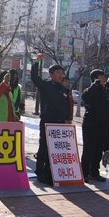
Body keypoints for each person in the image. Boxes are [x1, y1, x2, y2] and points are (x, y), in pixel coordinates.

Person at [30, 53, 70, 186]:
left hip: (60, 123)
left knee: (55, 149)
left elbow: (65, 106)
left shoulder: (63, 89)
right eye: (58, 72)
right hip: (48, 122)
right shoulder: (46, 86)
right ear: (51, 74)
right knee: (44, 147)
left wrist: (66, 119)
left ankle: (51, 173)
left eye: (62, 73)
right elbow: (34, 77)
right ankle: (40, 172)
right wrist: (37, 63)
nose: (61, 75)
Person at [81, 69, 109, 182]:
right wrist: (94, 86)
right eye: (101, 77)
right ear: (95, 79)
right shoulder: (91, 90)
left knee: (98, 150)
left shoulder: (105, 91)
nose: (103, 79)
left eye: (103, 77)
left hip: (102, 125)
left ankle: (94, 172)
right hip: (91, 124)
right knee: (88, 149)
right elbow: (85, 97)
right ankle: (84, 173)